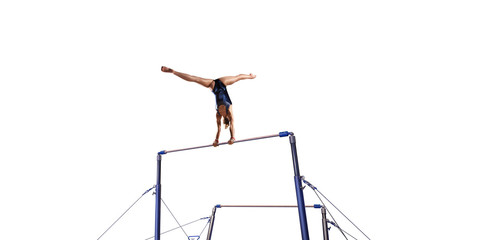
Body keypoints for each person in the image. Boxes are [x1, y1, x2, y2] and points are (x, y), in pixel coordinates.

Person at [161, 66, 256, 147]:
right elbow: (232, 124)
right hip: (223, 83)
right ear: (226, 117)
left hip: (213, 86)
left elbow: (219, 128)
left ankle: (173, 72)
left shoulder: (218, 114)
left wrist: (216, 140)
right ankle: (251, 76)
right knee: (237, 77)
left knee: (195, 79)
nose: (223, 113)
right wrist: (232, 138)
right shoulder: (229, 110)